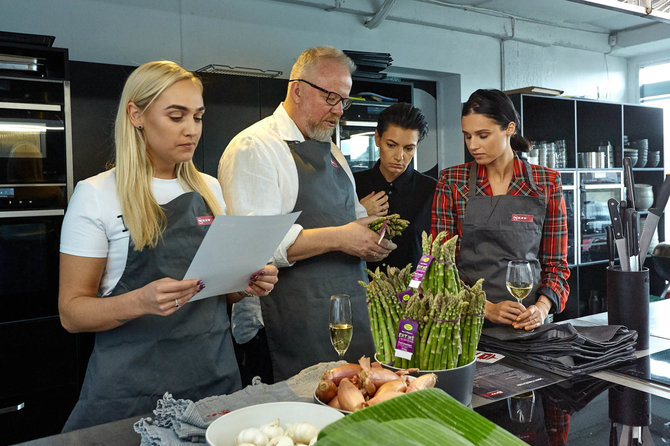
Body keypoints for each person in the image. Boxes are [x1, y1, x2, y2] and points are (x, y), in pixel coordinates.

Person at [58, 61, 278, 431]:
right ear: (136, 114)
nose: (191, 130)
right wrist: (139, 302)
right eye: (176, 116)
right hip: (130, 393)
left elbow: (220, 295)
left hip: (213, 381)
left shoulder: (210, 190)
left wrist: (245, 282)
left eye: (198, 116)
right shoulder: (96, 195)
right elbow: (72, 313)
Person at [218, 46, 395, 382]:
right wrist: (342, 238)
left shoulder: (333, 152)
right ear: (297, 89)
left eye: (344, 100)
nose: (339, 110)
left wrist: (372, 236)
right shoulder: (256, 147)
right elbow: (255, 248)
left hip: (342, 316)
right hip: (283, 325)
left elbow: (353, 217)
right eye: (330, 98)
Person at [432, 89, 569, 331]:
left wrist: (542, 308)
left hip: (529, 324)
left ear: (509, 128)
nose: (473, 145)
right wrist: (484, 308)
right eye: (467, 136)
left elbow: (556, 264)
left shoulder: (546, 182)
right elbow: (441, 266)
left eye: (483, 135)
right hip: (466, 324)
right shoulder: (452, 181)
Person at [354, 102, 436, 272]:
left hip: (411, 294)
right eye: (391, 145)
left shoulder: (432, 190)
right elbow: (335, 241)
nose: (399, 156)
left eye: (408, 148)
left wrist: (414, 288)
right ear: (377, 138)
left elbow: (431, 252)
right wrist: (359, 213)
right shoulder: (352, 185)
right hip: (360, 290)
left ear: (416, 147)